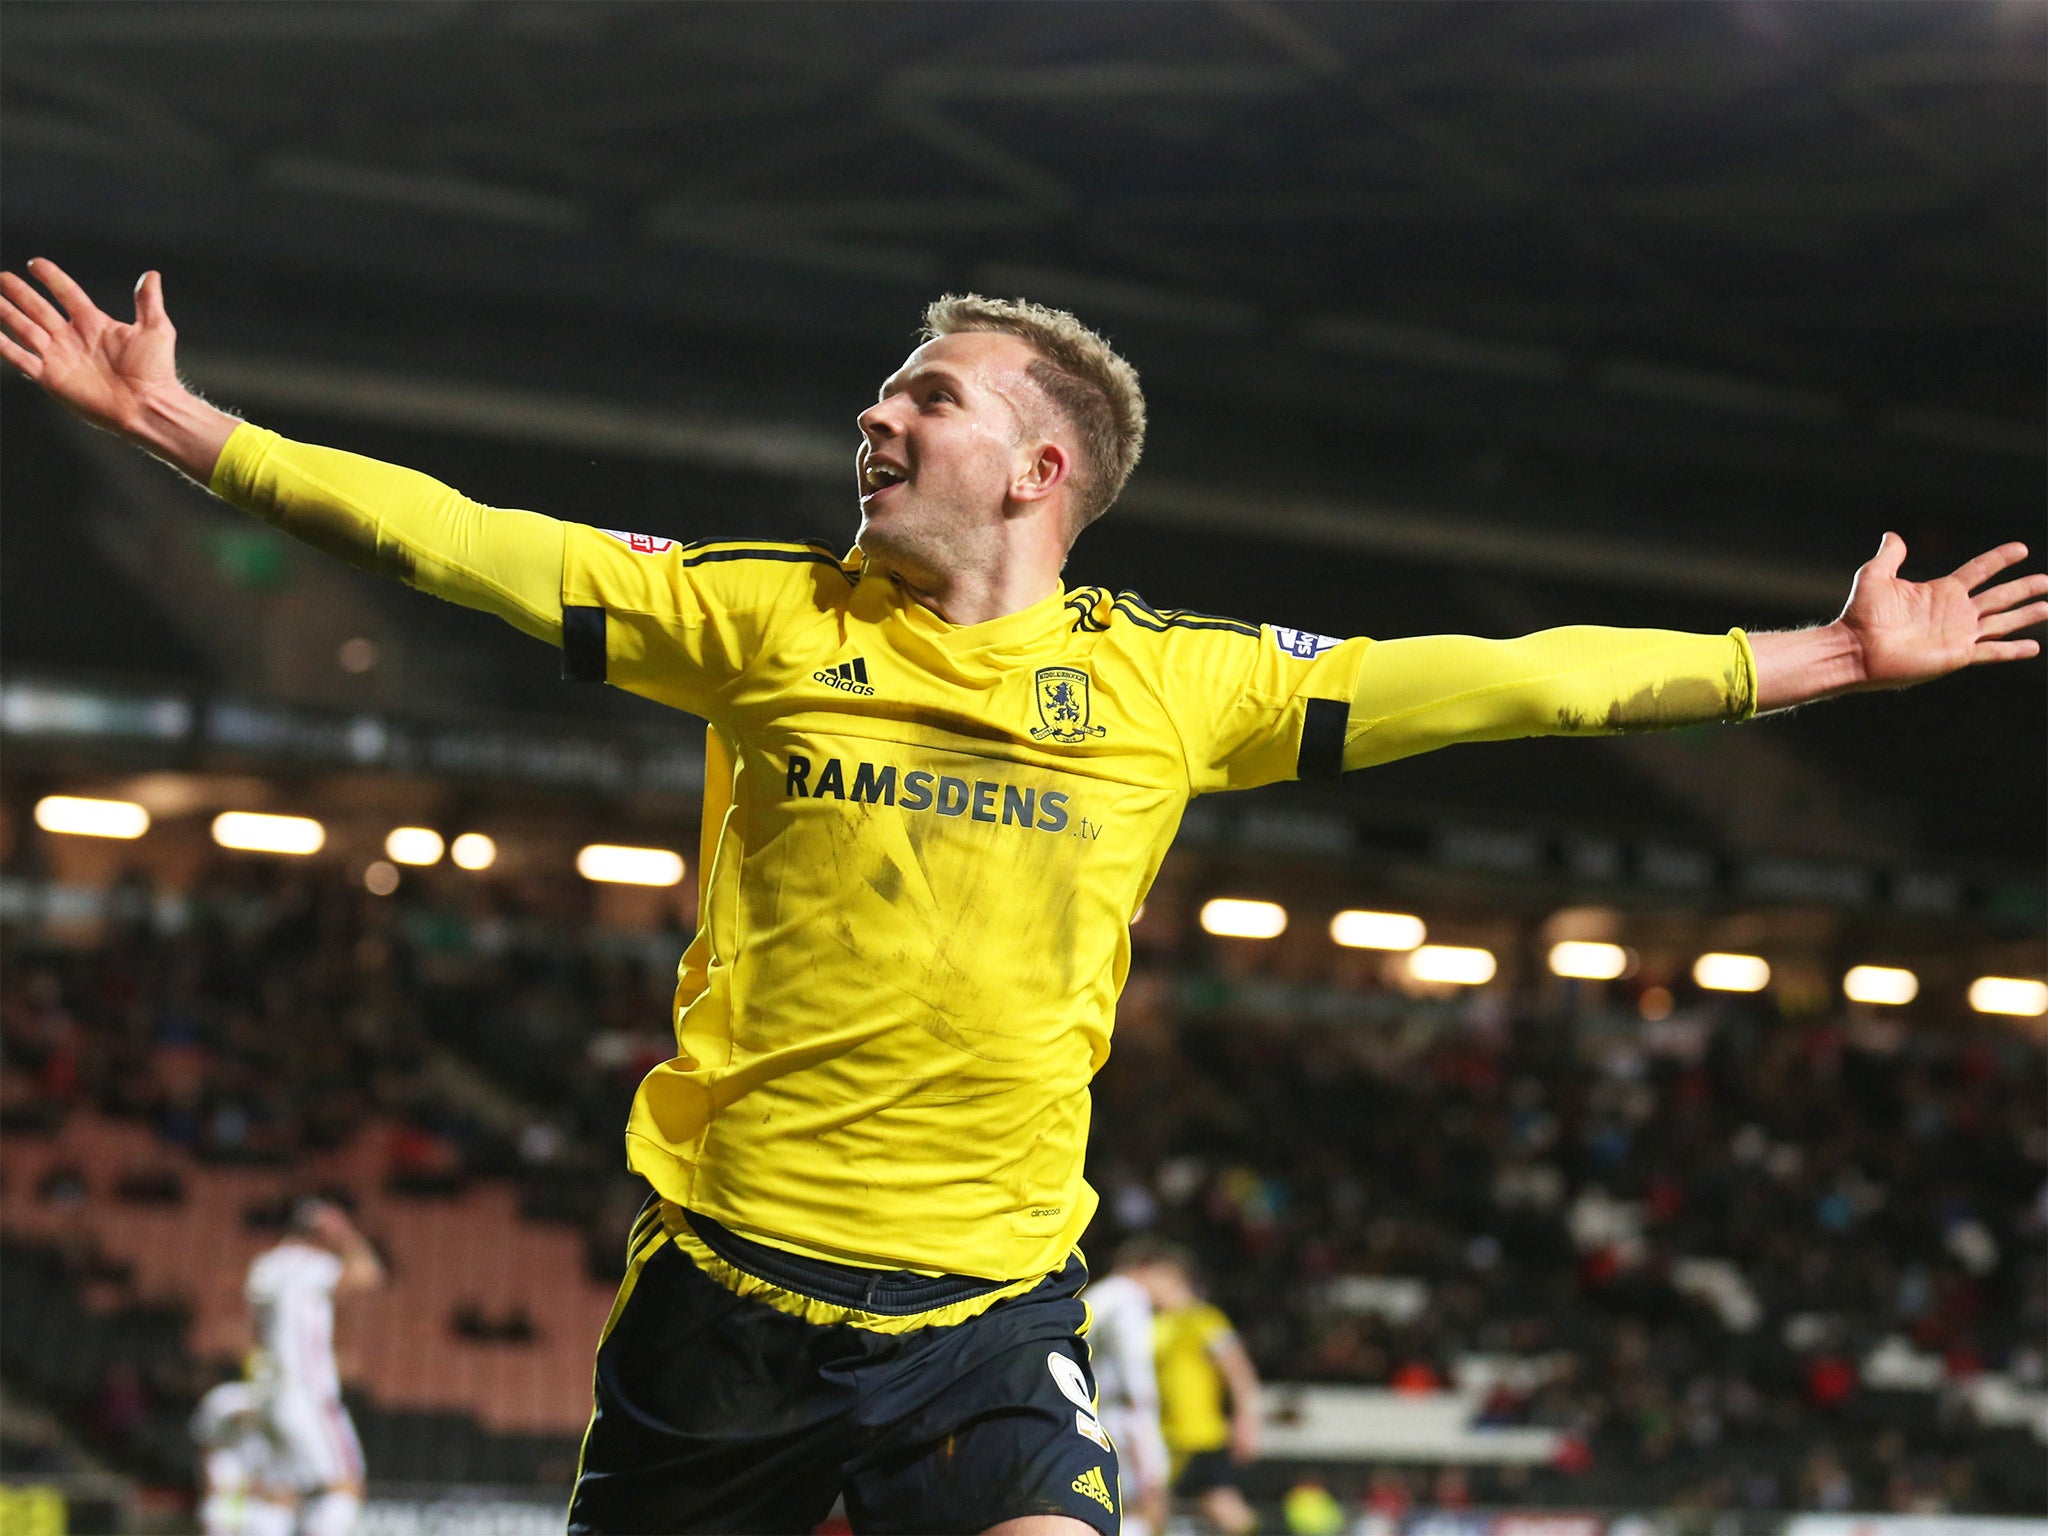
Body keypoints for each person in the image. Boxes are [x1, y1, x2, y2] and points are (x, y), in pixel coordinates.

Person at [3, 259, 2041, 1536]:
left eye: (926, 394)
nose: (874, 415)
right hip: (720, 1298)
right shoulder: (751, 619)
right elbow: (464, 542)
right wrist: (184, 424)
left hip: (986, 1317)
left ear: (1040, 467)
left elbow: (1512, 684)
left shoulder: (1176, 685)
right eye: (883, 390)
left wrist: (1829, 661)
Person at [243, 1198, 385, 1536]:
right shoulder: (312, 1263)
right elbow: (370, 1275)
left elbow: (254, 1330)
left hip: (270, 1393)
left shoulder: (265, 1267)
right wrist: (347, 1235)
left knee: (281, 1491)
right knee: (345, 1485)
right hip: (309, 1392)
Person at [1141, 1249, 1263, 1536]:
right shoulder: (1152, 1325)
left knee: (1222, 1505)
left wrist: (1248, 1420)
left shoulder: (1205, 1320)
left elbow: (1238, 1371)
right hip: (1163, 1435)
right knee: (1149, 1506)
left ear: (1174, 1280)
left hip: (1202, 1434)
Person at [1082, 1241, 1174, 1536]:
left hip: (1089, 1413)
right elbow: (1133, 1366)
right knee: (1148, 1502)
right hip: (1121, 1416)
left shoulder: (1099, 1293)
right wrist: (1144, 1421)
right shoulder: (1128, 1298)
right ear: (1149, 1268)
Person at [189, 1372, 294, 1536]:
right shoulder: (223, 1400)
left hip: (262, 1506)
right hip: (226, 1502)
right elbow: (207, 1446)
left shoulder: (282, 1410)